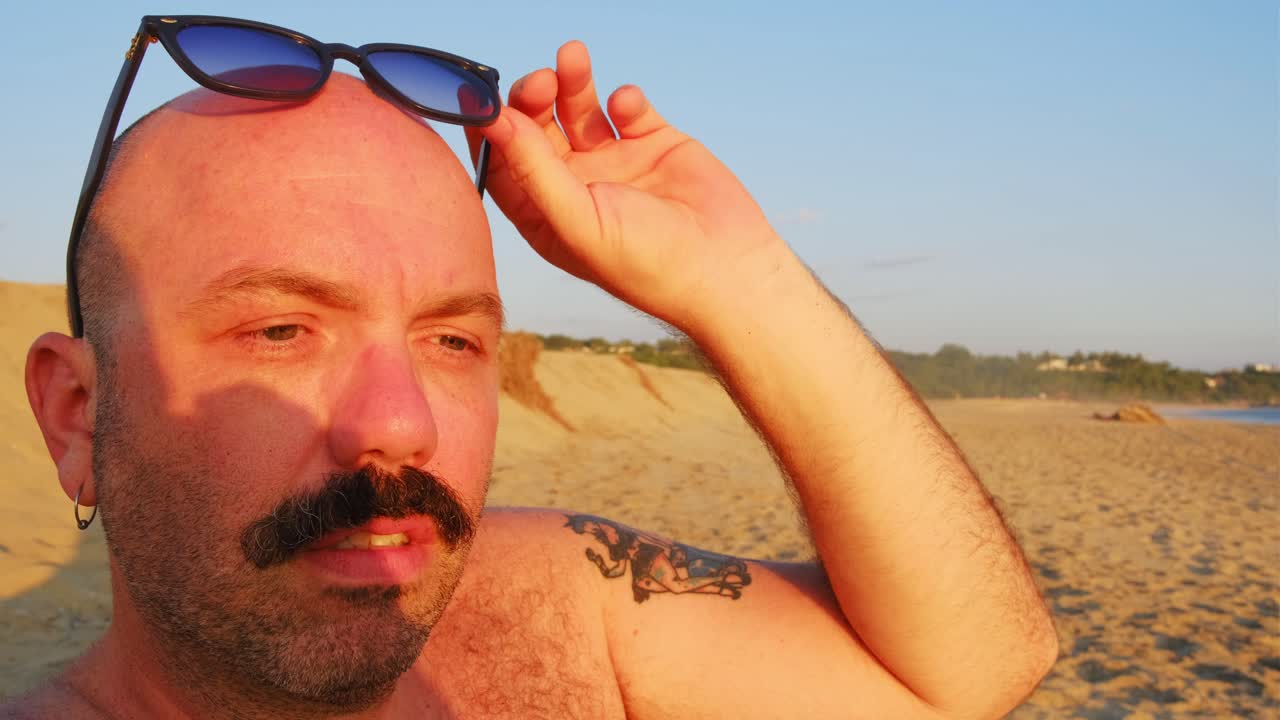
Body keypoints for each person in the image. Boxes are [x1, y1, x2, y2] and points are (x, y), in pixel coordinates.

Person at [8, 29, 1057, 719]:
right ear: (75, 415)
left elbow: (971, 672)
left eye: (452, 341)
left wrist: (736, 281)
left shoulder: (561, 607)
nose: (401, 426)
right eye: (282, 330)